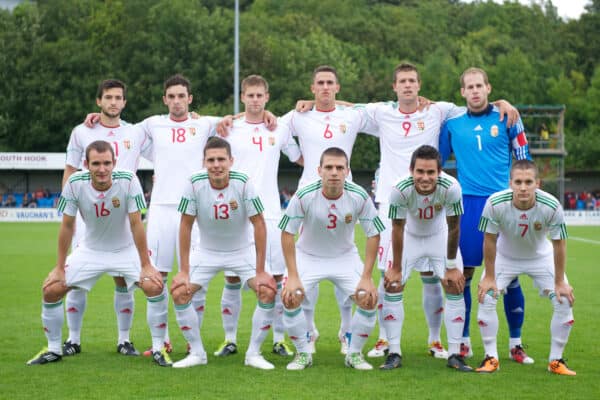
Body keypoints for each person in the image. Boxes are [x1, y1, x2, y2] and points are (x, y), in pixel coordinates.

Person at [27, 141, 170, 366]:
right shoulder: (75, 182)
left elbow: (136, 224)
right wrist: (58, 267)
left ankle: (158, 348)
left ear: (114, 163)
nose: (102, 169)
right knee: (51, 289)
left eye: (106, 163)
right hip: (90, 251)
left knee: (155, 285)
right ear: (86, 164)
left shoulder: (128, 180)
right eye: (96, 164)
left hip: (124, 250)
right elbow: (66, 226)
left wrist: (146, 264)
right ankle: (54, 349)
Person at [281, 65, 378, 354]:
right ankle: (308, 331)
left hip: (344, 194)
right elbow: (272, 125)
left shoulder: (352, 114)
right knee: (304, 258)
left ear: (337, 88)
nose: (325, 87)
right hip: (308, 194)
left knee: (343, 253)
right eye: (320, 83)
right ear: (312, 89)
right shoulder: (299, 115)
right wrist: (297, 156)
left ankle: (347, 331)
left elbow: (385, 116)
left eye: (330, 83)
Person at [440, 67, 532, 363]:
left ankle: (515, 344)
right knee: (463, 276)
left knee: (511, 275)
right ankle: (463, 340)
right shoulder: (452, 124)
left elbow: (523, 159)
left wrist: (522, 197)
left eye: (480, 85)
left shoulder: (508, 118)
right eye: (470, 87)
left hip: (504, 203)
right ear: (463, 92)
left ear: (488, 88)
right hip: (468, 206)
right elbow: (437, 162)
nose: (475, 90)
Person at [213, 75, 301, 358]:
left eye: (259, 95)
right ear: (242, 97)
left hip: (271, 213)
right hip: (235, 214)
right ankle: (229, 339)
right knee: (232, 278)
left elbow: (300, 157)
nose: (255, 100)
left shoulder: (280, 129)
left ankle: (278, 339)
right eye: (249, 95)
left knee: (274, 278)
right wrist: (231, 117)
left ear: (267, 97)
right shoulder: (228, 128)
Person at [170, 137, 277, 369]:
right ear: (204, 162)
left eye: (221, 159)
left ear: (231, 161)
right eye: (211, 160)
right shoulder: (194, 182)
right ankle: (197, 353)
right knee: (179, 291)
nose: (216, 164)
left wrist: (260, 271)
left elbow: (259, 224)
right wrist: (183, 270)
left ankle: (254, 354)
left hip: (241, 250)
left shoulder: (243, 182)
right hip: (207, 251)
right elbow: (185, 225)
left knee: (267, 290)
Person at [62, 79, 147, 357]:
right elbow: (71, 168)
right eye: (108, 97)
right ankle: (73, 339)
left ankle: (124, 340)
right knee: (76, 277)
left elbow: (174, 131)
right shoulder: (81, 131)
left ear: (124, 102)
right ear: (99, 101)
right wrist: (68, 209)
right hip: (89, 216)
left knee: (123, 279)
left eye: (118, 97)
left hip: (125, 215)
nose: (113, 102)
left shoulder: (135, 132)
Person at [138, 74, 222, 356]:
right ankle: (159, 343)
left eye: (181, 96)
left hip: (195, 212)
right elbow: (119, 131)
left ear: (190, 99)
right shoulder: (152, 124)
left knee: (196, 278)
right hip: (161, 210)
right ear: (165, 100)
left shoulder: (204, 123)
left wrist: (270, 115)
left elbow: (243, 120)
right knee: (154, 278)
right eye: (171, 96)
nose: (176, 101)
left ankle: (192, 340)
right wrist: (95, 118)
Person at [279, 147, 383, 370]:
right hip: (308, 256)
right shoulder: (304, 195)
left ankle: (354, 354)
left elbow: (374, 233)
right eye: (329, 167)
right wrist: (293, 276)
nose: (334, 172)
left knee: (369, 298)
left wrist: (367, 276)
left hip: (344, 256)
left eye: (339, 167)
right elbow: (287, 233)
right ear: (319, 170)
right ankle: (303, 354)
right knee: (289, 296)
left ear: (347, 171)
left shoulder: (359, 195)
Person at [475, 160, 575, 375]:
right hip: (505, 256)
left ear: (537, 183)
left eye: (528, 182)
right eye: (518, 182)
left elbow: (560, 243)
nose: (523, 187)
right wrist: (489, 276)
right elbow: (489, 240)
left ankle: (556, 361)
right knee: (487, 295)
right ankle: (491, 357)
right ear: (510, 183)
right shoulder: (495, 202)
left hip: (540, 257)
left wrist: (559, 282)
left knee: (564, 299)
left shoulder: (552, 205)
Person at [380, 145, 472, 372]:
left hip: (438, 236)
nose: (425, 177)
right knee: (392, 285)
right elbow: (397, 228)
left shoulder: (451, 187)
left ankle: (454, 354)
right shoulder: (400, 189)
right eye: (420, 171)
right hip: (410, 236)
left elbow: (454, 227)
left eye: (431, 172)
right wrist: (397, 267)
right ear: (411, 170)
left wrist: (451, 266)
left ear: (439, 172)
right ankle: (394, 352)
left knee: (454, 286)